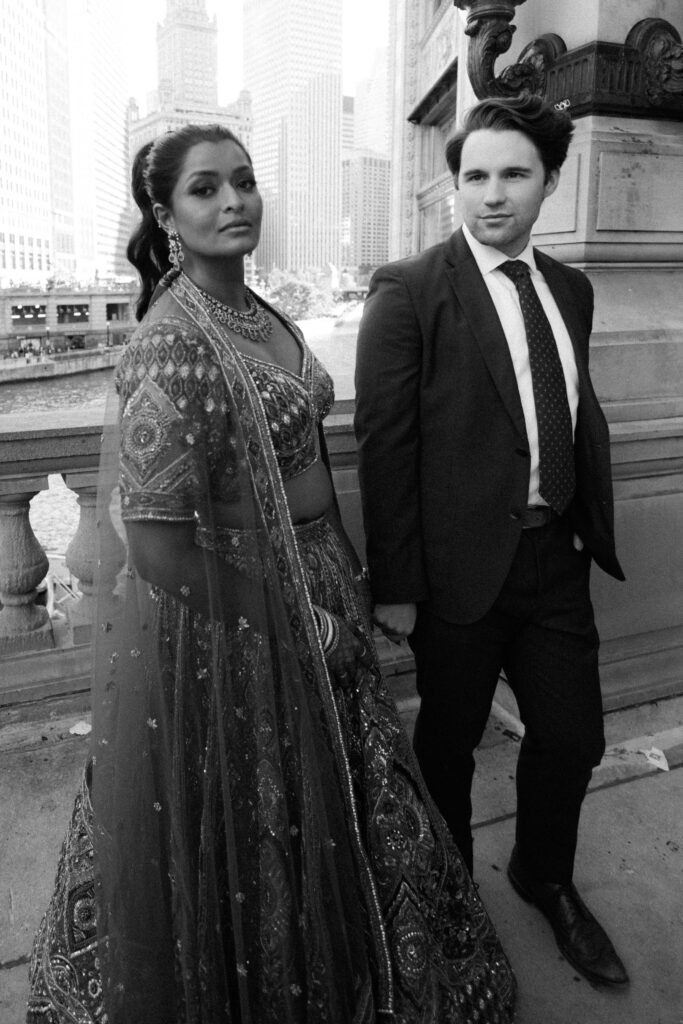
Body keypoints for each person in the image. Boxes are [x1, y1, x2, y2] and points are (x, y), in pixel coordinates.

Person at [27, 124, 515, 1024]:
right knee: (259, 819)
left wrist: (340, 584)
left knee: (356, 796)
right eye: (205, 189)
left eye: (244, 182)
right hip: (242, 613)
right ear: (165, 215)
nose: (235, 201)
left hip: (317, 577)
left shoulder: (259, 310)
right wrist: (299, 620)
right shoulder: (175, 344)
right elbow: (158, 548)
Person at [354, 95, 629, 989]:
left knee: (573, 736)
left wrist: (586, 519)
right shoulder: (408, 288)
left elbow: (569, 406)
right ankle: (445, 901)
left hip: (555, 559)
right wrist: (395, 585)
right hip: (457, 571)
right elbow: (384, 447)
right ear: (454, 184)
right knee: (448, 745)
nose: (491, 195)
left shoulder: (572, 288)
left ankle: (542, 874)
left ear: (550, 181)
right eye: (474, 175)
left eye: (514, 175)